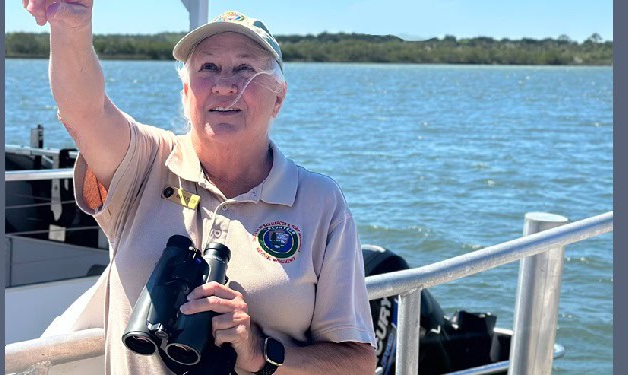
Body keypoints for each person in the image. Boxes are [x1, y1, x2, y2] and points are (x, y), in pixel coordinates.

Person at [23, 1, 377, 374]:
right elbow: (85, 111)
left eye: (245, 69)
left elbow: (357, 361)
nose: (225, 85)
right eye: (208, 67)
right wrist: (71, 27)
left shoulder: (320, 201)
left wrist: (260, 350)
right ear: (186, 92)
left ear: (278, 98)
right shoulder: (146, 163)